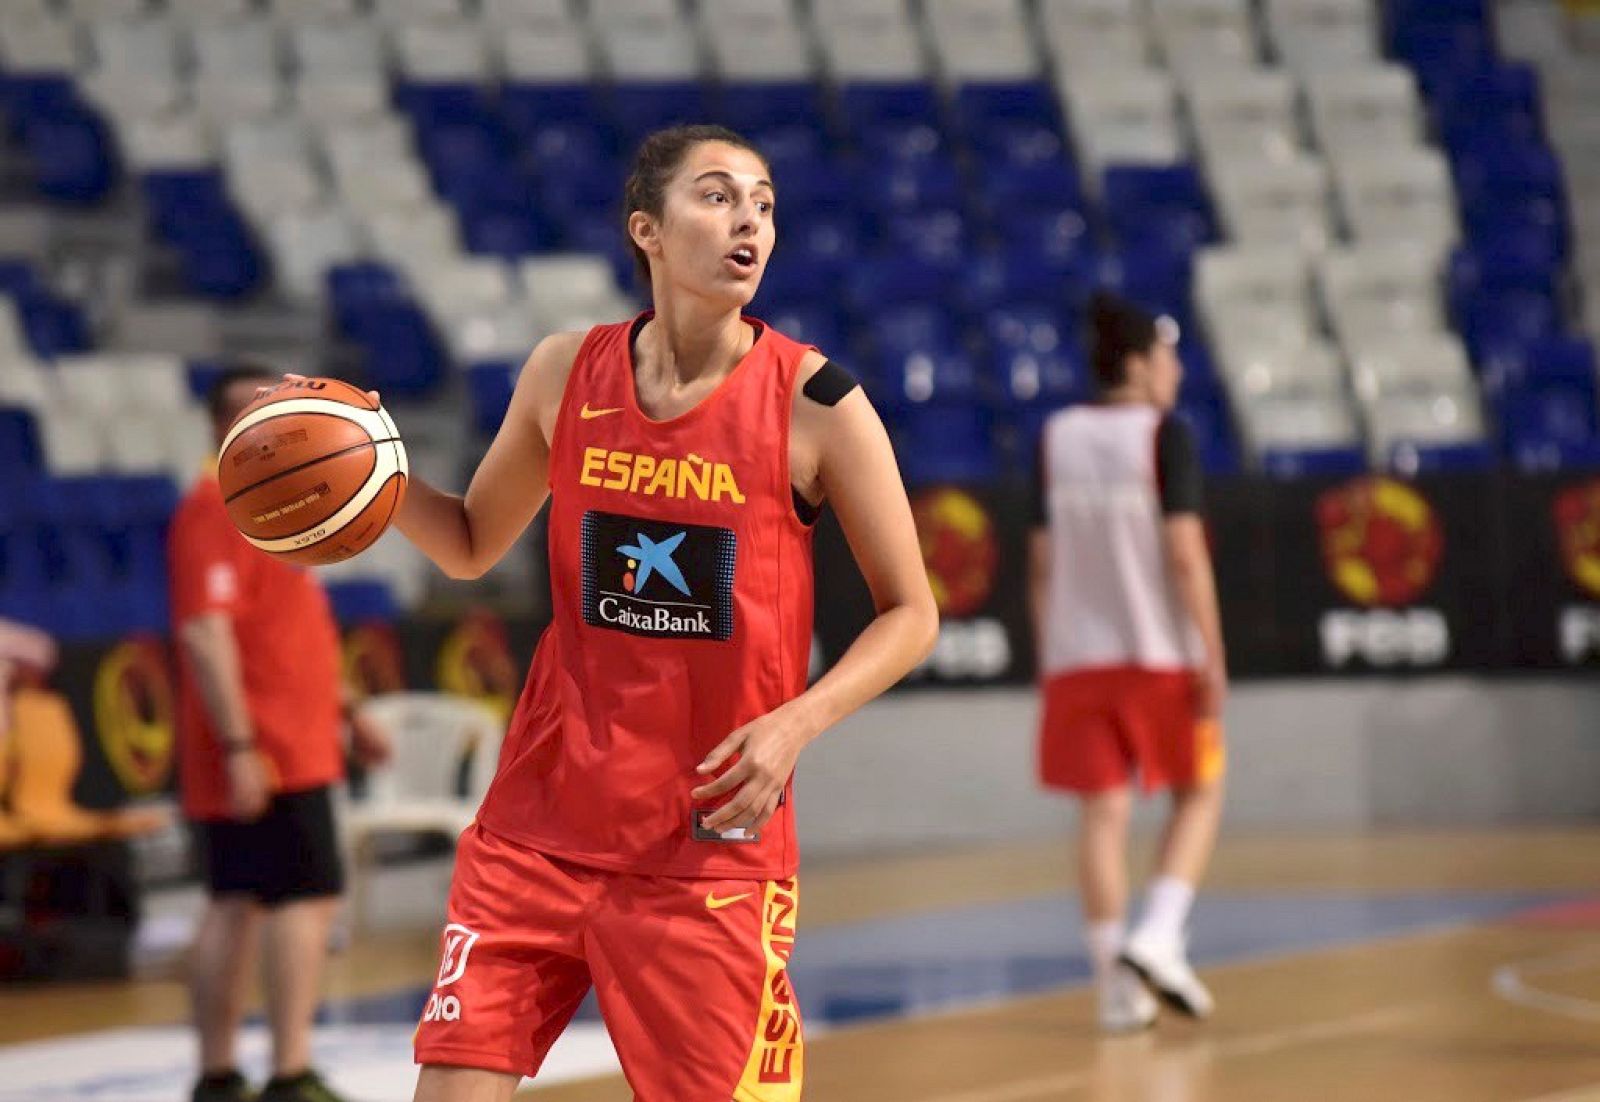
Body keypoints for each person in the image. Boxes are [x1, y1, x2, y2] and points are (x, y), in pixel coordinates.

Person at [366, 124, 940, 1101]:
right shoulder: (563, 372)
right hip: (537, 827)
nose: (748, 218)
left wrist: (794, 724)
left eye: (762, 201)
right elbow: (468, 541)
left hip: (705, 854)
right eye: (717, 196)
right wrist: (360, 472)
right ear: (649, 231)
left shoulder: (818, 402)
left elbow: (911, 612)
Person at [169, 367, 392, 1102]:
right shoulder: (213, 510)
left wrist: (348, 710)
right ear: (230, 429)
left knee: (240, 898)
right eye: (265, 412)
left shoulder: (274, 510)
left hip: (293, 742)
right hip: (264, 750)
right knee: (291, 897)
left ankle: (223, 1075)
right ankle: (284, 1073)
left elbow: (289, 635)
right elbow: (207, 635)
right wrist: (239, 748)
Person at [1028, 292, 1228, 1033]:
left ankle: (1116, 985)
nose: (1175, 370)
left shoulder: (1058, 435)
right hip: (1157, 654)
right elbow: (1184, 554)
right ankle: (1160, 932)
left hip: (1077, 658)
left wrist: (1052, 655)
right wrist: (1211, 649)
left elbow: (1042, 561)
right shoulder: (1163, 435)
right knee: (1200, 791)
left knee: (1102, 815)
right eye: (1169, 356)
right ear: (1140, 364)